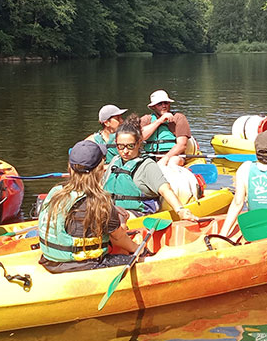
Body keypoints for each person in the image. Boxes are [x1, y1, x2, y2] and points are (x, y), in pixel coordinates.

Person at [36, 140, 141, 272]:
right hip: (82, 265)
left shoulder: (56, 192)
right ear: (100, 169)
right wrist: (139, 249)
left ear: (71, 167)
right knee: (137, 259)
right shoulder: (100, 202)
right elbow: (119, 238)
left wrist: (113, 212)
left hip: (50, 260)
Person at [106, 119, 198, 220]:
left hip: (138, 213)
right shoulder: (115, 162)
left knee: (113, 218)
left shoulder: (147, 165)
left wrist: (180, 210)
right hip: (113, 209)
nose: (125, 151)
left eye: (130, 146)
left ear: (139, 142)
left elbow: (165, 190)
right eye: (120, 146)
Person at [140, 89, 191, 166]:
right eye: (160, 104)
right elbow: (141, 137)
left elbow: (182, 145)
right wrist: (160, 121)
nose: (164, 106)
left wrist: (166, 158)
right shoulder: (146, 119)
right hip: (149, 156)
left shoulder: (178, 118)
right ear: (153, 107)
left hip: (174, 156)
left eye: (166, 103)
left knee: (173, 161)